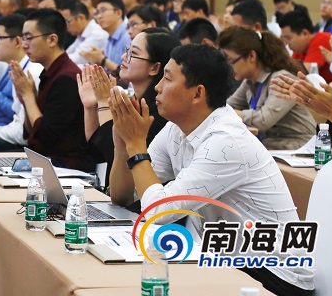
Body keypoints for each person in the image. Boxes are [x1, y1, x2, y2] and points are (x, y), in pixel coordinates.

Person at [109, 44, 314, 295]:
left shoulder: (226, 142)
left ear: (198, 93)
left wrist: (136, 145)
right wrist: (123, 148)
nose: (158, 87)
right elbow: (124, 196)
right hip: (226, 258)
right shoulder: (176, 128)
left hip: (274, 274)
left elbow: (157, 211)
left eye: (168, 79)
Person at [78, 30, 179, 187]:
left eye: (133, 53)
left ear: (154, 68)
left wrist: (104, 102)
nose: (123, 57)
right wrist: (90, 106)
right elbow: (97, 153)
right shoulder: (132, 102)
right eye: (127, 50)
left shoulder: (158, 113)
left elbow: (114, 156)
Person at [9, 9, 93, 171]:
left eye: (29, 38)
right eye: (23, 38)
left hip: (66, 166)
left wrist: (28, 97)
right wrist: (27, 99)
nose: (24, 44)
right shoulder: (51, 72)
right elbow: (31, 133)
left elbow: (45, 137)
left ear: (52, 39)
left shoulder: (66, 78)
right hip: (46, 159)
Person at [219, 26, 316, 149]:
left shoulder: (281, 79)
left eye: (231, 60)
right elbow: (226, 105)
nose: (228, 66)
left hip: (297, 148)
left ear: (252, 56)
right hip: (270, 146)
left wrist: (232, 112)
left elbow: (264, 120)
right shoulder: (249, 81)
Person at [0, 14, 44, 151]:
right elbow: (17, 120)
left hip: (26, 148)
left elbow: (23, 135)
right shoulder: (17, 68)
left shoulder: (30, 73)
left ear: (17, 41)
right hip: (11, 134)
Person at [279, 10, 332, 83]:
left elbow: (303, 72)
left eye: (288, 38)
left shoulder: (323, 39)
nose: (286, 43)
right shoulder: (300, 48)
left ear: (305, 33)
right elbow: (290, 70)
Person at [60, 0, 107, 66]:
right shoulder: (81, 34)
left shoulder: (97, 34)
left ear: (81, 18)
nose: (66, 26)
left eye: (67, 21)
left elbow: (75, 59)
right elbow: (67, 53)